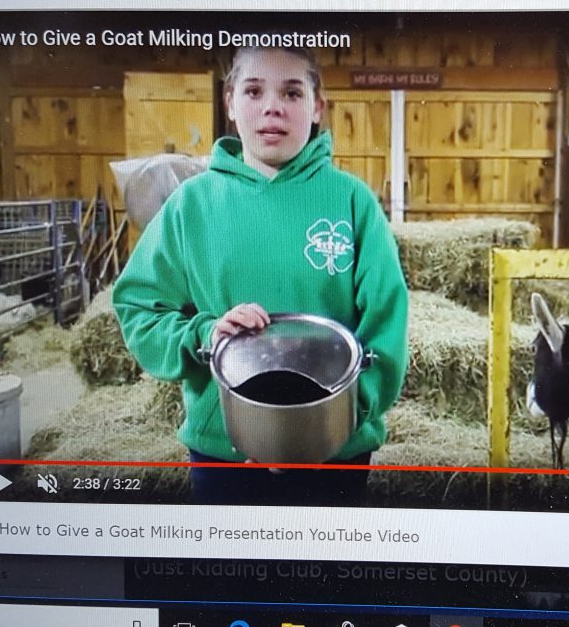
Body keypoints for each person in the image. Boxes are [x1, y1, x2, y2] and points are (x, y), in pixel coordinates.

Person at [112, 44, 409, 505]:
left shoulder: (352, 202)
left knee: (326, 573)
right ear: (230, 103)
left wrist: (340, 417)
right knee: (231, 575)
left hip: (334, 451)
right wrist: (204, 333)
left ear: (317, 108)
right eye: (254, 91)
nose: (273, 106)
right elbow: (138, 306)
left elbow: (387, 322)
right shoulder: (192, 205)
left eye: (292, 93)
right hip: (224, 449)